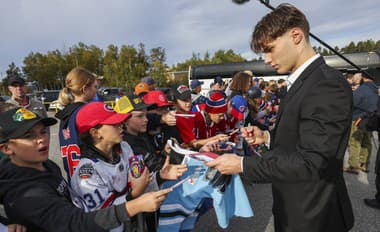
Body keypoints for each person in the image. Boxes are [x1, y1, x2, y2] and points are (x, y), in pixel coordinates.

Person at [206, 4, 354, 232]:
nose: (266, 59)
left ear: (296, 36)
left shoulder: (325, 83)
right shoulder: (305, 81)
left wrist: (242, 164)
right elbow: (301, 139)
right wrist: (266, 136)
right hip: (296, 208)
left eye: (270, 49)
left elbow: (312, 162)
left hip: (314, 216)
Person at [0, 107, 172, 232]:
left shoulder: (45, 163)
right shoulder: (26, 194)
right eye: (29, 136)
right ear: (6, 149)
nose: (41, 140)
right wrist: (135, 200)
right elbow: (79, 222)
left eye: (43, 131)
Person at [55, 67, 98, 179]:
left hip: (74, 179)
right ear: (85, 89)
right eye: (95, 86)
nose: (96, 90)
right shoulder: (86, 112)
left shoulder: (66, 114)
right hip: (91, 180)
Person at [345, 72, 378, 173]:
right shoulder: (375, 89)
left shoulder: (363, 89)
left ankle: (353, 165)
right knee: (366, 142)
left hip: (358, 119)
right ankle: (364, 164)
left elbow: (352, 102)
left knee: (355, 142)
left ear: (364, 78)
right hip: (370, 119)